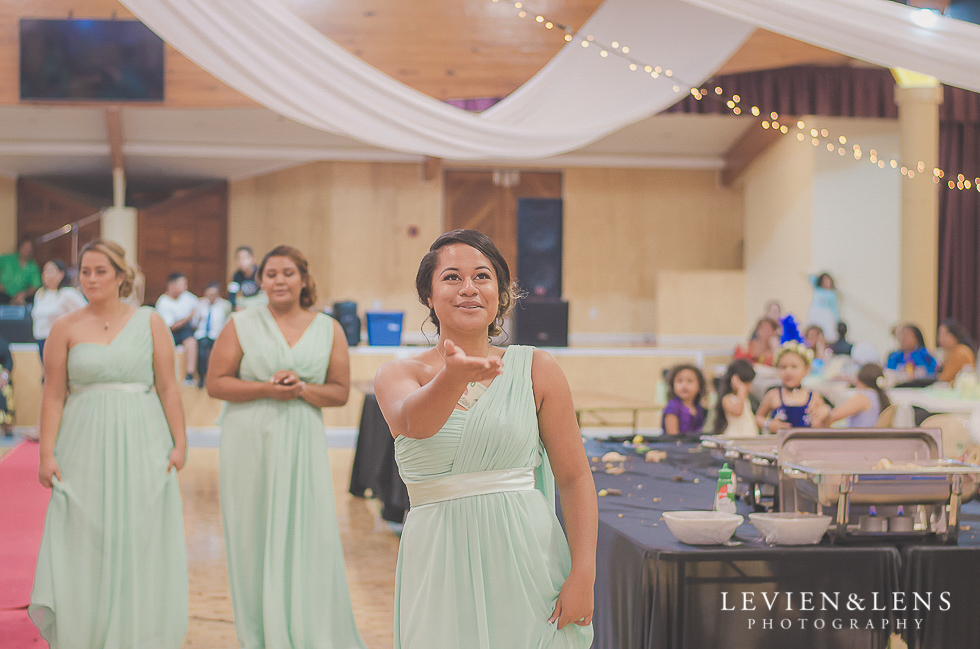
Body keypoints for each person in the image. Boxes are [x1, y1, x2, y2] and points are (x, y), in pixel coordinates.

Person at [374, 229, 595, 649]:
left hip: (527, 554)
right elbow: (414, 422)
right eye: (452, 277)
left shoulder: (537, 368)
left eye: (482, 276)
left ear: (500, 293)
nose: (469, 288)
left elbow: (574, 477)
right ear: (429, 295)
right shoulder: (398, 374)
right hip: (437, 557)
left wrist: (584, 572)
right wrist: (453, 377)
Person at [29, 238, 188, 649]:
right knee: (84, 532)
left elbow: (169, 387)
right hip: (82, 440)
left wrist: (180, 441)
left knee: (139, 531)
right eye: (85, 271)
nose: (92, 278)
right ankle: (86, 628)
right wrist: (47, 453)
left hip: (143, 436)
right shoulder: (63, 327)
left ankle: (138, 631)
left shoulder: (150, 321)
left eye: (101, 271)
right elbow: (53, 394)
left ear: (120, 276)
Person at [206, 245, 365, 649]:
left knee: (309, 533)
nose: (279, 280)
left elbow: (341, 392)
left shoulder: (328, 328)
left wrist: (302, 389)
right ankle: (260, 636)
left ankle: (310, 631)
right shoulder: (240, 323)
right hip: (248, 439)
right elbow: (216, 382)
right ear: (260, 281)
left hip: (301, 437)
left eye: (288, 273)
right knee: (252, 535)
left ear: (303, 279)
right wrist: (266, 389)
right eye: (271, 273)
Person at [755, 342, 829, 432]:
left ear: (806, 370)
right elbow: (758, 417)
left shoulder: (814, 397)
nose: (788, 372)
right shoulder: (773, 395)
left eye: (794, 367)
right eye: (783, 367)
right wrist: (768, 424)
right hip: (780, 444)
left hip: (806, 443)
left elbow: (825, 421)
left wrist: (826, 412)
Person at [31, 259, 87, 359]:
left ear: (60, 274)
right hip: (40, 339)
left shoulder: (68, 293)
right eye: (44, 271)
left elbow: (86, 311)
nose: (46, 274)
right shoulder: (40, 293)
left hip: (59, 340)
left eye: (50, 271)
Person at [155, 272, 199, 385]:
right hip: (169, 332)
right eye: (182, 284)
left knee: (191, 341)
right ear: (171, 285)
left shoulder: (188, 297)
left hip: (186, 330)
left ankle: (190, 375)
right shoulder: (163, 302)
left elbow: (198, 311)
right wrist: (188, 318)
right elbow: (170, 326)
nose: (185, 287)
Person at [817, 363, 890, 428]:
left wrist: (825, 411)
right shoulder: (878, 396)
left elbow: (834, 416)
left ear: (859, 379)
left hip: (859, 440)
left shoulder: (863, 397)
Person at [193, 281, 231, 388]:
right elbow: (194, 322)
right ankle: (201, 376)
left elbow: (227, 322)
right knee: (201, 354)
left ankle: (215, 378)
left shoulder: (225, 305)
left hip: (217, 335)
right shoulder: (200, 304)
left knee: (216, 355)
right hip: (202, 334)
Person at [712, 358, 758, 436]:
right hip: (734, 437)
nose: (748, 387)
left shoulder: (745, 399)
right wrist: (741, 390)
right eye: (745, 383)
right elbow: (737, 411)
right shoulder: (727, 399)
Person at [662, 363, 707, 436]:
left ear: (700, 386)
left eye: (690, 381)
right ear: (673, 385)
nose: (684, 385)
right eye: (679, 381)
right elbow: (672, 436)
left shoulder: (699, 408)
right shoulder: (673, 407)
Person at [0, 238, 42, 305]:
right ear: (19, 247)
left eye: (30, 247)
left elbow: (35, 286)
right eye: (25, 246)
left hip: (21, 298)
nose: (27, 249)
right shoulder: (7, 259)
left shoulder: (33, 266)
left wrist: (24, 294)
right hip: (3, 294)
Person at [937, 319, 976, 384]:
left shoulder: (960, 352)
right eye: (939, 334)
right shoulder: (951, 351)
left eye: (944, 334)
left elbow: (945, 378)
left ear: (954, 335)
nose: (940, 339)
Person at [228, 245, 267, 311]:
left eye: (244, 258)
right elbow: (232, 293)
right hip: (245, 300)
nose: (241, 262)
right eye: (239, 259)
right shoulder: (237, 275)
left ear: (252, 259)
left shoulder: (259, 272)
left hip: (258, 300)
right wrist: (234, 306)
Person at [805, 272, 840, 342]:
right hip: (815, 313)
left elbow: (834, 308)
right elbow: (811, 278)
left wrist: (836, 321)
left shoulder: (832, 294)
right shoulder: (817, 290)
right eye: (825, 280)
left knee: (825, 333)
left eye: (828, 280)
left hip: (825, 316)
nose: (827, 282)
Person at [0, 333, 13, 437]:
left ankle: (6, 426)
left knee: (6, 391)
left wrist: (3, 376)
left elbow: (9, 362)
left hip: (1, 379)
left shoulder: (2, 343)